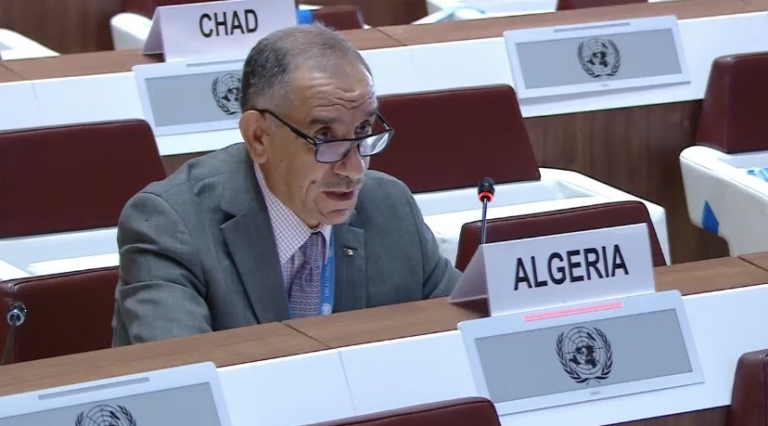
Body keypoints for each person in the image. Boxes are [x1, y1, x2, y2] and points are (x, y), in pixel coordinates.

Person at [111, 24, 461, 346]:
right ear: (259, 137)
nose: (355, 169)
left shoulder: (390, 206)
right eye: (325, 136)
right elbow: (184, 377)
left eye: (363, 129)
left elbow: (463, 329)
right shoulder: (171, 225)